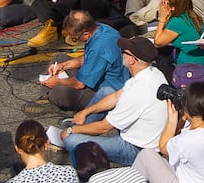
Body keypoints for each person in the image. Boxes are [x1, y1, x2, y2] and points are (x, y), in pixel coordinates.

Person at [62, 37, 170, 166]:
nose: (121, 53)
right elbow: (114, 97)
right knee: (106, 91)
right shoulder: (153, 73)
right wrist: (85, 112)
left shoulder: (137, 92)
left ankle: (78, 130)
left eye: (124, 52)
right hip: (144, 134)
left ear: (132, 60)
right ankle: (81, 126)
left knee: (70, 140)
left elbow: (105, 127)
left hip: (135, 148)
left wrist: (71, 132)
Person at [42, 11, 130, 115]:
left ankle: (50, 95)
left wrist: (59, 82)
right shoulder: (101, 28)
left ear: (86, 34)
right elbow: (88, 58)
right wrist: (63, 66)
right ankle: (46, 96)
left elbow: (79, 84)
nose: (75, 40)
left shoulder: (100, 47)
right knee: (58, 58)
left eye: (75, 38)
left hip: (109, 91)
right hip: (100, 75)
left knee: (59, 93)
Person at [153, 0, 204, 78]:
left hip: (191, 69)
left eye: (164, 1)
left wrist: (162, 18)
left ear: (172, 7)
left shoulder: (177, 22)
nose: (161, 3)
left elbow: (158, 42)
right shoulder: (193, 16)